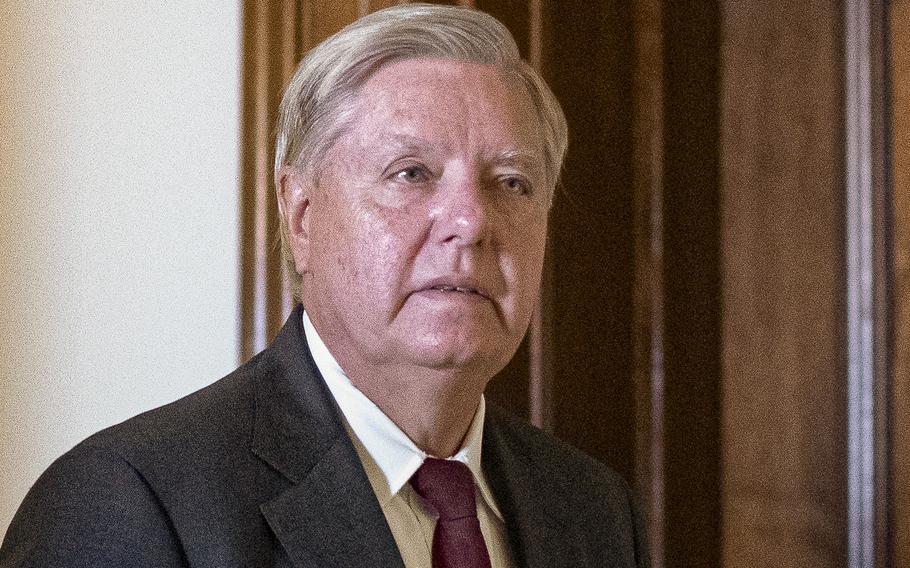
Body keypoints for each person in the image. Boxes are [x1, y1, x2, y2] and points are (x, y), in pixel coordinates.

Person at [0, 4, 649, 567]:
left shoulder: (593, 508)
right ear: (302, 215)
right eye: (412, 173)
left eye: (512, 181)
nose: (471, 221)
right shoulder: (135, 501)